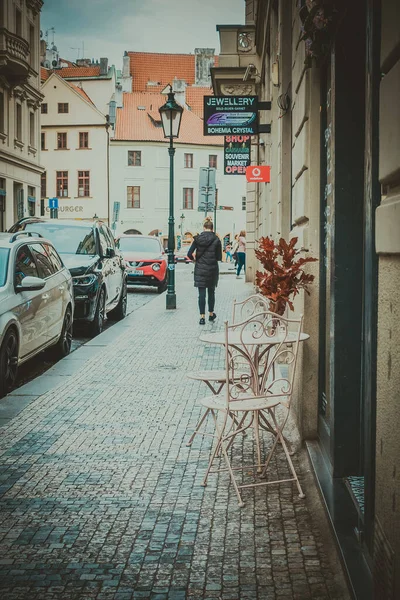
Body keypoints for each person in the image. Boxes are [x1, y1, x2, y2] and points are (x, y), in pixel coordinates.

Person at [187, 219, 222, 325]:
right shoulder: (216, 239)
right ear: (212, 228)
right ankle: (211, 314)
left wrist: (195, 259)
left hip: (200, 269)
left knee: (201, 294)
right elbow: (219, 257)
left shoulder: (197, 239)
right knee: (211, 292)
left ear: (204, 228)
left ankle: (202, 317)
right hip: (212, 269)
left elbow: (189, 253)